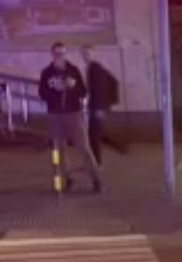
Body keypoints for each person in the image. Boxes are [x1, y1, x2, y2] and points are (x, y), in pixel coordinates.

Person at [38, 41, 102, 193]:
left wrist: (73, 87)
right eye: (57, 53)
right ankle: (64, 180)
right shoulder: (46, 73)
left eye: (63, 53)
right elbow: (42, 94)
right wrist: (54, 89)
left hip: (73, 114)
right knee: (58, 150)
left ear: (66, 54)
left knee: (84, 148)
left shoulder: (73, 70)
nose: (60, 56)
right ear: (52, 54)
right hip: (55, 115)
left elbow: (83, 92)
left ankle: (96, 180)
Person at [81, 46, 125, 161]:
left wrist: (101, 107)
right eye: (84, 54)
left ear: (94, 54)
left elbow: (99, 89)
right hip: (96, 106)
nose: (86, 56)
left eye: (88, 53)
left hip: (96, 106)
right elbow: (113, 81)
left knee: (93, 135)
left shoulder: (95, 69)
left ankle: (97, 161)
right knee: (95, 133)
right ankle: (117, 147)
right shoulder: (94, 68)